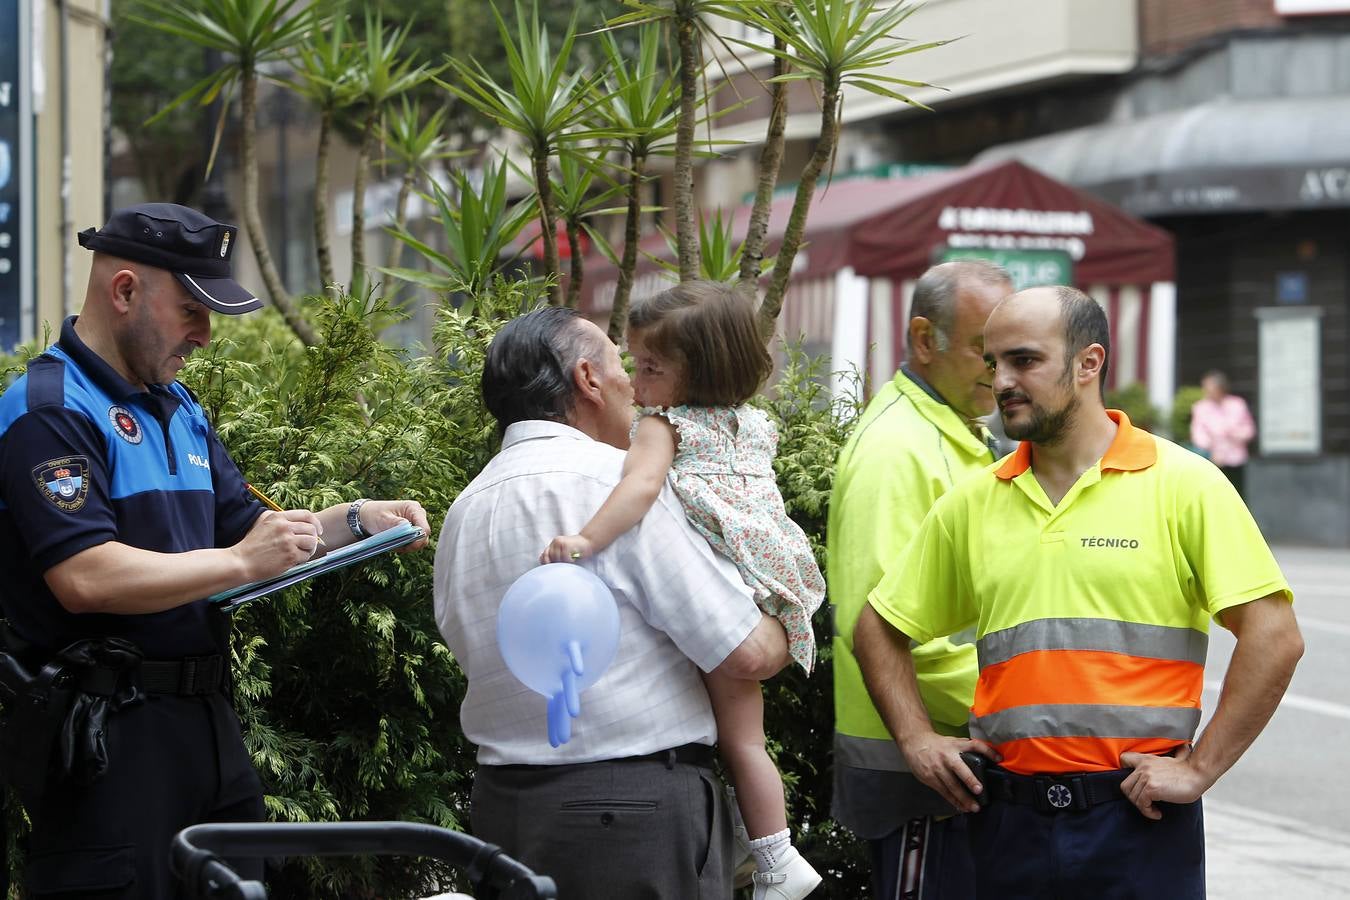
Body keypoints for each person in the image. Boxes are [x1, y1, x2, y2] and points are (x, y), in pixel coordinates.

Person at [0, 202, 430, 898]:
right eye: (192, 310)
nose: (204, 335)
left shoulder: (179, 407)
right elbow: (84, 575)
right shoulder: (52, 409)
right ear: (125, 291)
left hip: (206, 726)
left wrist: (355, 521)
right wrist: (238, 564)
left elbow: (249, 531)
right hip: (109, 739)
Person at [855, 285, 1303, 899]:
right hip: (1004, 822)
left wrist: (1200, 768)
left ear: (1089, 363)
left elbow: (1275, 636)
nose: (1001, 380)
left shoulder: (1186, 485)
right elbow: (878, 626)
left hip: (1137, 824)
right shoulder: (973, 502)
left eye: (1024, 360)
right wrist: (915, 739)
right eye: (993, 363)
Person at [434, 304, 792, 900]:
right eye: (623, 362)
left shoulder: (465, 509)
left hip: (502, 808)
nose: (633, 381)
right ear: (587, 379)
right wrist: (795, 614)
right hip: (632, 812)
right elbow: (744, 653)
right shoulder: (616, 484)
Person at [540, 281, 825, 900]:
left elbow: (639, 492)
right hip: (767, 579)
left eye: (651, 368)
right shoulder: (752, 424)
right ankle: (769, 847)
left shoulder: (661, 426)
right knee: (748, 737)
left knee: (736, 737)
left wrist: (586, 539)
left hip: (720, 585)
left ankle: (777, 858)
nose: (636, 383)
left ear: (696, 372)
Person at [828, 260, 1010, 900]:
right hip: (925, 766)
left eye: (1012, 354)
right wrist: (1023, 705)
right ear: (924, 340)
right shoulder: (898, 451)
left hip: (957, 752)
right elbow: (880, 621)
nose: (1001, 372)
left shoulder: (957, 434)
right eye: (984, 352)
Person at [1190, 369, 1256, 497]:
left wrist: (1233, 434)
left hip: (1235, 458)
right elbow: (1198, 434)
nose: (1206, 390)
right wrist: (1211, 449)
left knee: (1238, 495)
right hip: (1212, 459)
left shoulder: (1237, 404)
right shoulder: (1200, 407)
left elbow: (1248, 430)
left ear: (1220, 388)